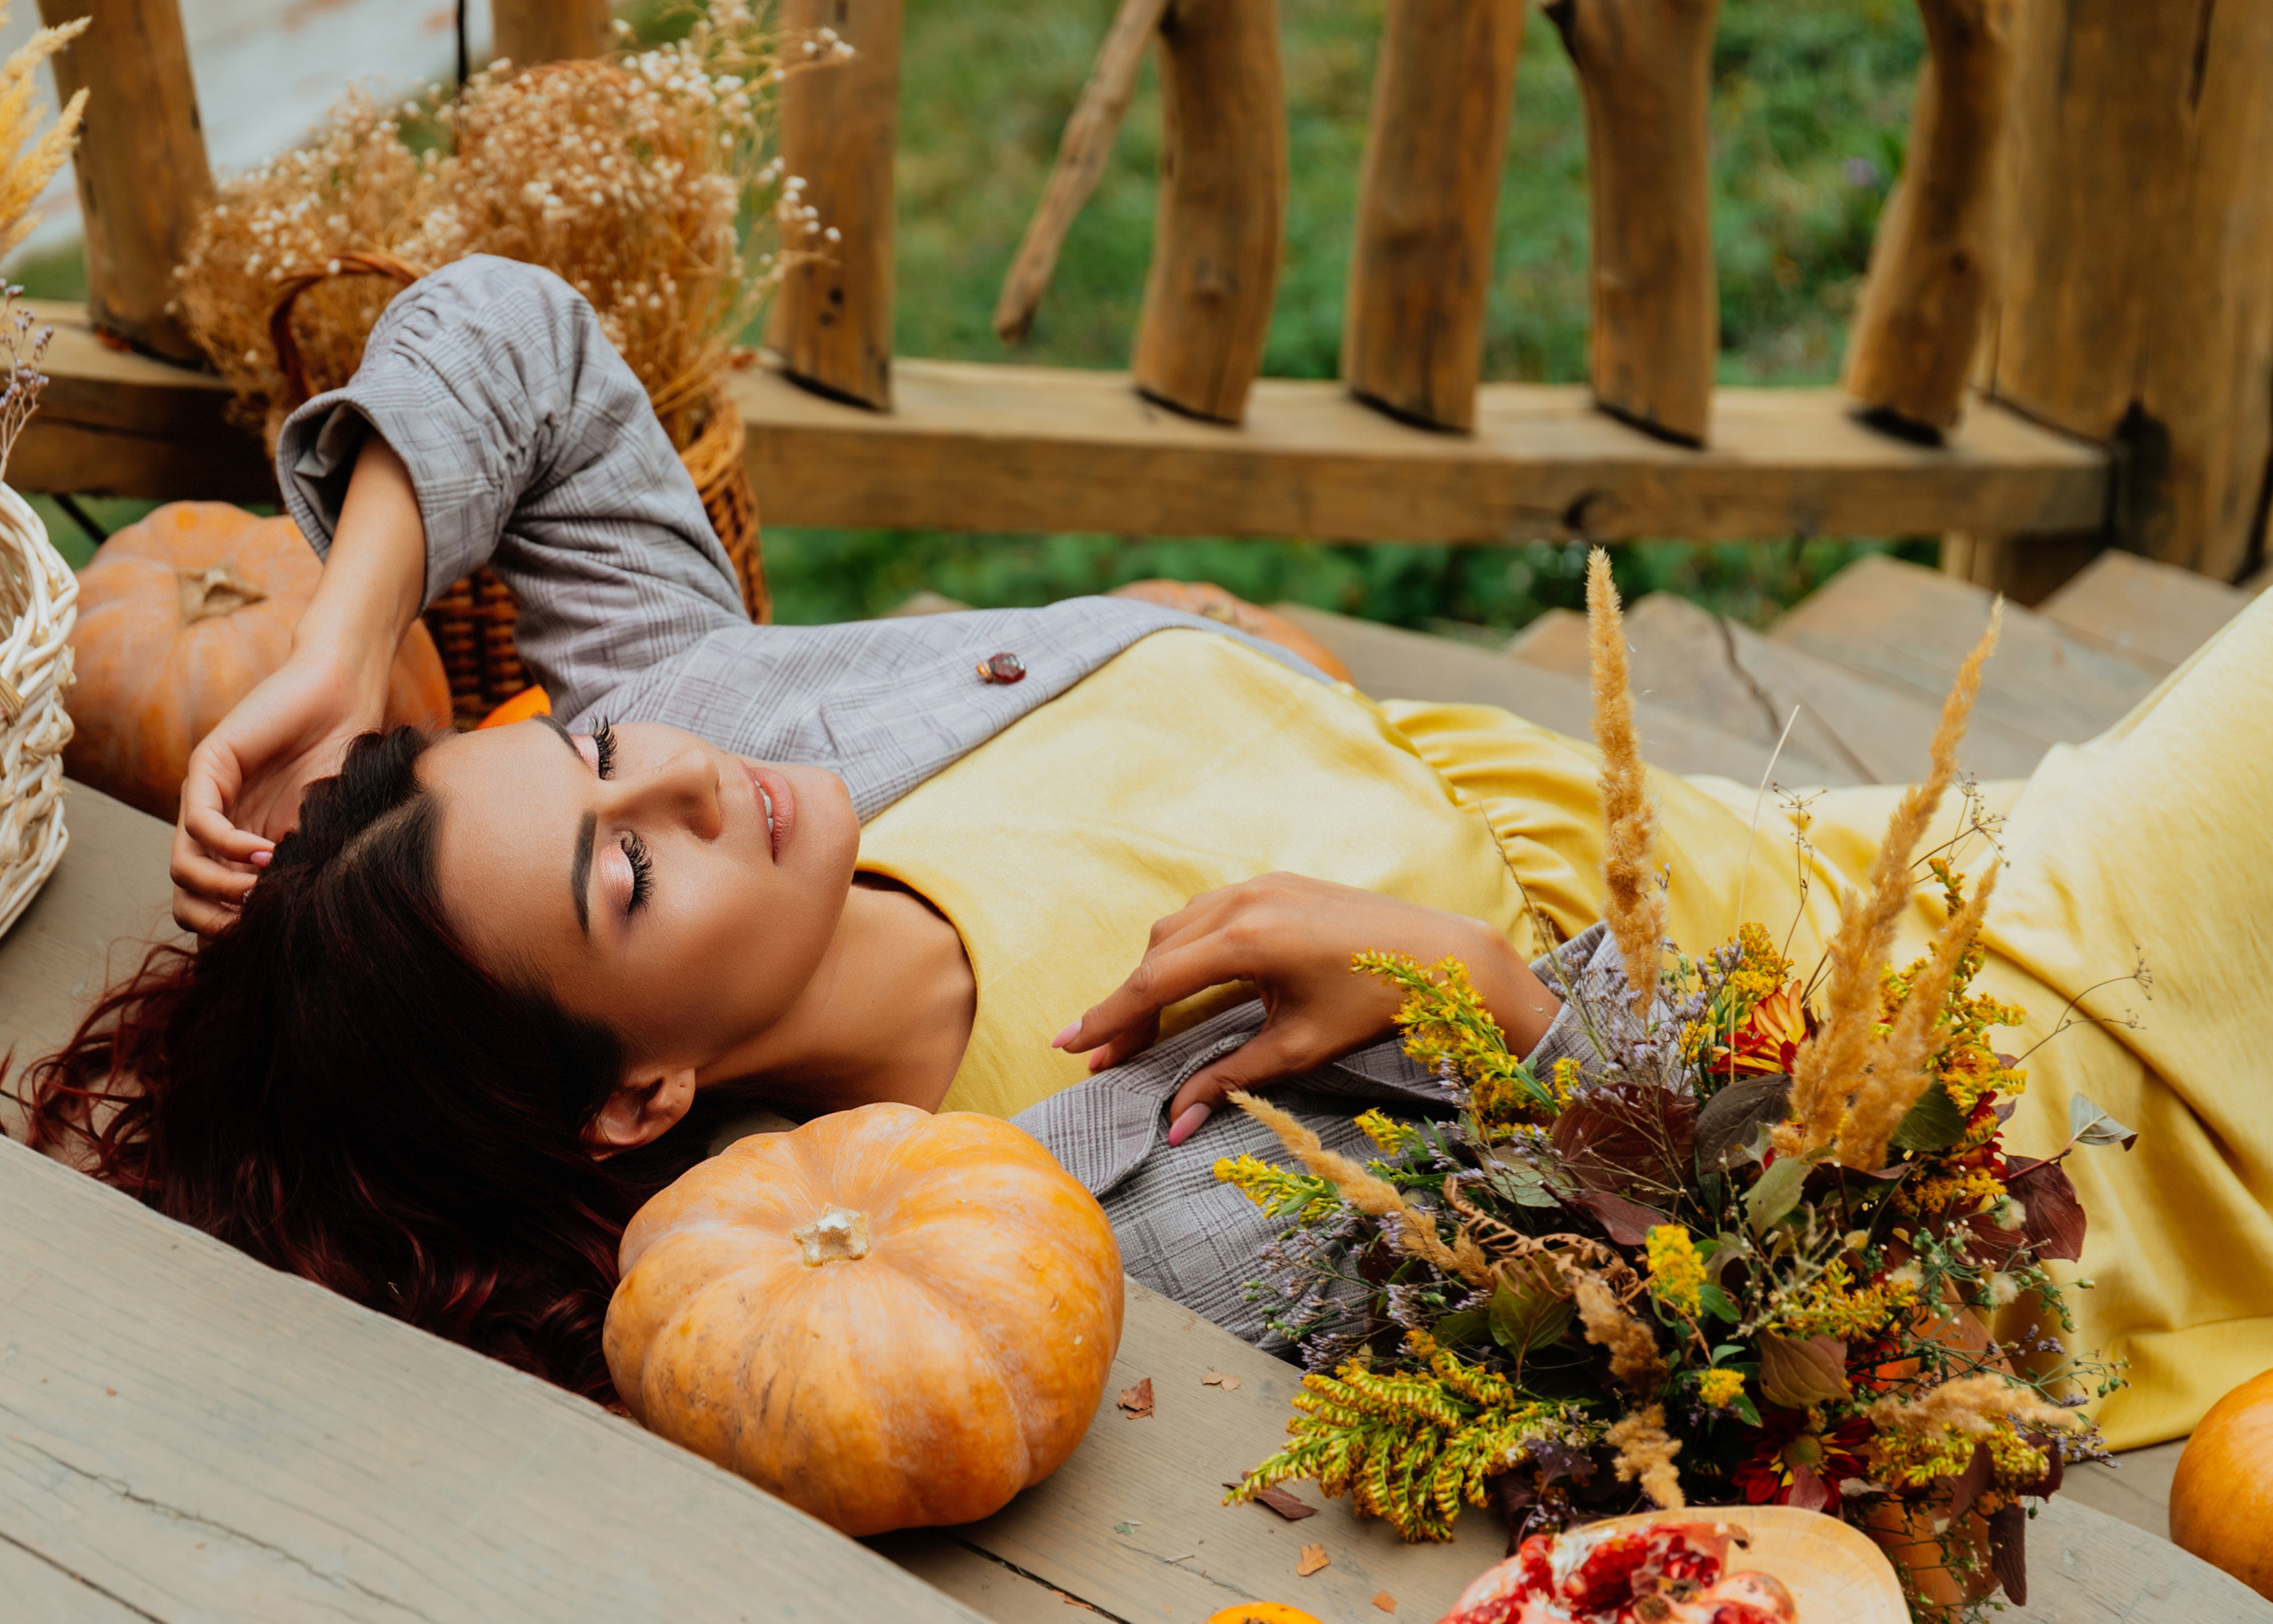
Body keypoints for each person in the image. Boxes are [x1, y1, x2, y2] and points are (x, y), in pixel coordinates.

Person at [20, 259, 2269, 1449]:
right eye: (624, 875)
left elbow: (517, 327)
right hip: (2031, 1113)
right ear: (638, 1099)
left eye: (586, 745)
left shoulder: (728, 718)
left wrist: (347, 630)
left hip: (1889, 838)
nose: (680, 784)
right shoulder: (1111, 1197)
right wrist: (1477, 985)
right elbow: (1781, 1274)